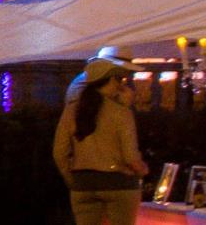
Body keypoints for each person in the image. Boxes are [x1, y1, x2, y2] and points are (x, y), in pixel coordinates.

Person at [53, 58, 147, 225]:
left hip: (83, 183)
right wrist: (142, 171)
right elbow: (130, 156)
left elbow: (59, 152)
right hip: (119, 183)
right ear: (112, 80)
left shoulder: (72, 110)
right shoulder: (121, 112)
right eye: (121, 79)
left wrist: (72, 179)